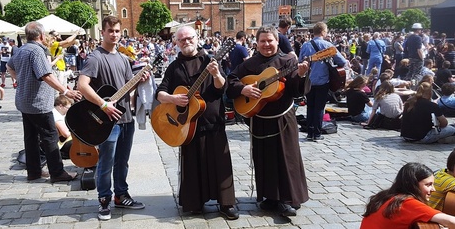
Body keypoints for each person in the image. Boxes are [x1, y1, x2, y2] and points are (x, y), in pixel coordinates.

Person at [155, 26, 239, 220]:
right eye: (181, 39)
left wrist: (217, 74)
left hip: (212, 121)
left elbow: (222, 88)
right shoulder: (174, 67)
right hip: (187, 126)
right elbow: (160, 92)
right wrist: (173, 99)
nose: (186, 42)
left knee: (220, 163)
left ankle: (226, 203)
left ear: (197, 38)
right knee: (193, 165)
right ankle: (195, 202)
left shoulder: (210, 60)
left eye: (189, 38)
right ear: (176, 42)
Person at [227, 25, 309, 217]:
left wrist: (302, 74)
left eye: (270, 40)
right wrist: (243, 89)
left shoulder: (288, 60)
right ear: (256, 43)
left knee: (286, 158)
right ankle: (269, 197)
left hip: (283, 119)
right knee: (265, 159)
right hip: (260, 119)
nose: (266, 44)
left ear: (277, 41)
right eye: (262, 41)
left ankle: (287, 199)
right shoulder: (250, 63)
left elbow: (296, 90)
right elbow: (230, 79)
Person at [76, 16, 149, 221]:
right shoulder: (95, 58)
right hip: (106, 122)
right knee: (106, 163)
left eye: (117, 31)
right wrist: (103, 104)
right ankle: (104, 200)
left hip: (126, 117)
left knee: (122, 162)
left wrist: (139, 81)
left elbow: (126, 88)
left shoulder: (123, 59)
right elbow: (82, 85)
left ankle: (121, 195)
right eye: (111, 31)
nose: (114, 35)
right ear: (103, 32)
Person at [6, 21, 82, 183]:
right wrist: (66, 91)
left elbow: (9, 66)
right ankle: (57, 173)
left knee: (31, 137)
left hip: (24, 102)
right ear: (40, 35)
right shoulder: (37, 51)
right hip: (38, 103)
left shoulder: (21, 50)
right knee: (50, 136)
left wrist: (19, 79)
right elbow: (45, 75)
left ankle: (34, 172)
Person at [360, 162, 455, 228]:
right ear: (414, 185)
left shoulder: (384, 196)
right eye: (428, 185)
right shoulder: (407, 203)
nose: (433, 189)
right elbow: (451, 221)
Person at [299, 22, 347, 141]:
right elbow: (342, 61)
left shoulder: (305, 45)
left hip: (309, 81)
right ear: (323, 32)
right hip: (323, 80)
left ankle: (309, 132)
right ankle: (317, 133)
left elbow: (300, 62)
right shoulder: (328, 45)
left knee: (310, 106)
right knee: (320, 108)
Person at [52, 95, 73, 159]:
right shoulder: (56, 115)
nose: (68, 110)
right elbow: (66, 134)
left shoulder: (60, 113)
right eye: (68, 108)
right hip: (60, 144)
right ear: (60, 106)